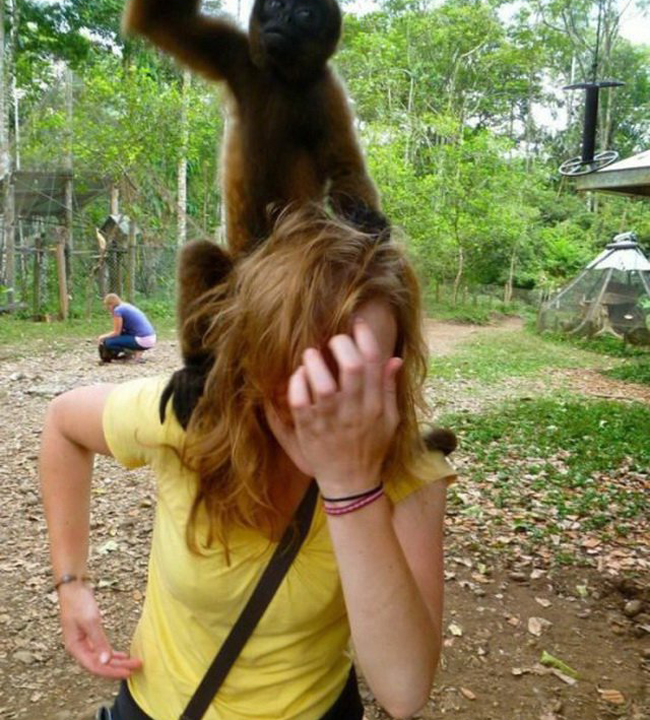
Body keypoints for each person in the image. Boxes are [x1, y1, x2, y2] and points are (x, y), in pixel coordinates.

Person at [40, 208, 456, 720]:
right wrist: (72, 584)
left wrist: (352, 486)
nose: (327, 406)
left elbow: (404, 690)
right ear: (252, 360)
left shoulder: (410, 469)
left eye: (356, 377)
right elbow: (62, 423)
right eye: (305, 371)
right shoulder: (193, 417)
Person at [98, 294, 156, 363]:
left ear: (111, 304)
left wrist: (102, 337)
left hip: (142, 340)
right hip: (150, 338)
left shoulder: (118, 311)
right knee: (116, 338)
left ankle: (132, 352)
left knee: (108, 342)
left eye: (107, 306)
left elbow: (116, 333)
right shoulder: (125, 306)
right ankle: (135, 352)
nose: (107, 309)